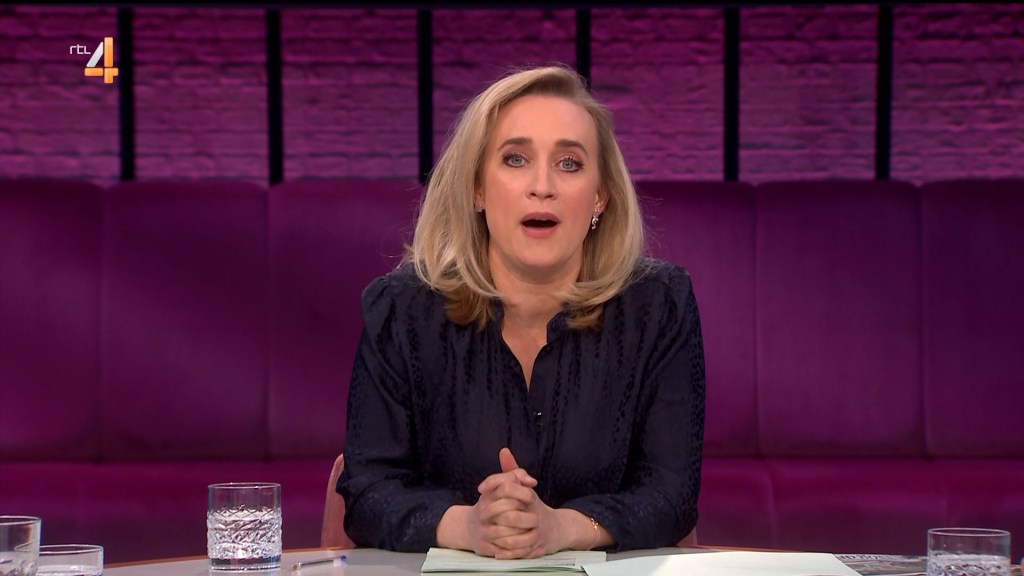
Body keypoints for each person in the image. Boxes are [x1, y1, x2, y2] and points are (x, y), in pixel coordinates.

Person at [337, 64, 705, 559]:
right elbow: (366, 491)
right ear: (477, 189)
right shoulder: (403, 311)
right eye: (515, 159)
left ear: (600, 196)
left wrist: (561, 528)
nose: (542, 185)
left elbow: (671, 495)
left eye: (569, 163)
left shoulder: (657, 306)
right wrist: (470, 526)